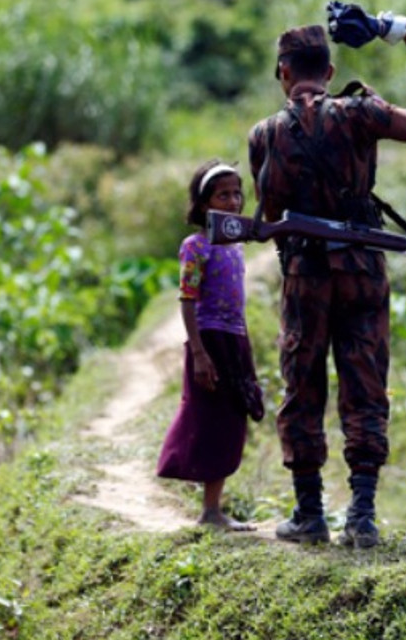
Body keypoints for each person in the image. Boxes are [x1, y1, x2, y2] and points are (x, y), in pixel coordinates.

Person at [248, 21, 406, 549]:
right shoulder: (359, 112)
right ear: (331, 71)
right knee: (365, 387)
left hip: (304, 277)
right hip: (363, 273)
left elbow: (268, 212)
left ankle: (310, 513)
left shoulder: (263, 134)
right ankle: (361, 514)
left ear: (284, 72)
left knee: (302, 386)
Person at [156, 160, 264, 532]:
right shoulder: (195, 246)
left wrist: (246, 349)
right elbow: (188, 300)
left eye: (237, 193)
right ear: (204, 204)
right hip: (209, 339)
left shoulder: (235, 246)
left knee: (233, 419)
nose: (233, 201)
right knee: (210, 418)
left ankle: (213, 509)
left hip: (235, 339)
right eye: (223, 194)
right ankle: (210, 510)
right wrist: (199, 353)